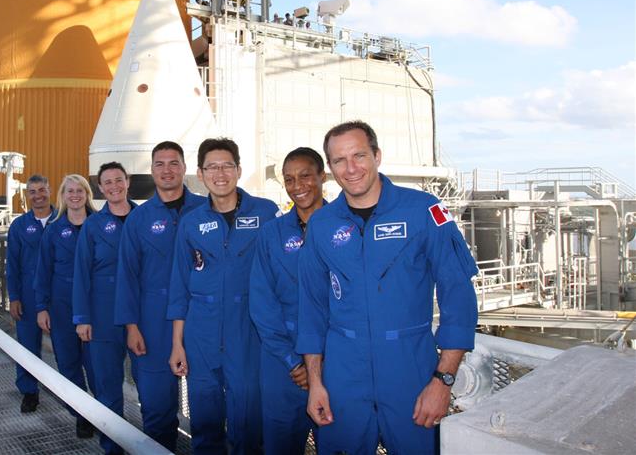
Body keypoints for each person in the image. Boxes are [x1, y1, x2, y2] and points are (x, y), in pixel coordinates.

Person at [297, 121, 479, 454]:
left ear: (377, 156)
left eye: (359, 155)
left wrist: (444, 381)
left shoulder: (425, 210)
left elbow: (459, 296)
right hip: (342, 376)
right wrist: (316, 383)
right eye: (339, 160)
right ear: (330, 169)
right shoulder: (322, 224)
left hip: (411, 371)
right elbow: (311, 308)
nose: (351, 168)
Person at [167, 138, 279, 455]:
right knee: (204, 420)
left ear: (239, 170)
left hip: (250, 334)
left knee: (248, 421)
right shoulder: (191, 223)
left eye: (227, 165)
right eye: (212, 167)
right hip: (201, 336)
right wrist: (178, 343)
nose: (220, 173)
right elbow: (180, 286)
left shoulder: (266, 213)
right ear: (201, 174)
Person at [115, 141, 204, 451]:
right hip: (152, 322)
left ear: (184, 167)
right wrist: (131, 326)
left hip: (201, 319)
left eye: (173, 163)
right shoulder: (139, 220)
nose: (167, 170)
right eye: (160, 164)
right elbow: (126, 275)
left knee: (207, 405)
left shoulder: (206, 210)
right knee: (155, 405)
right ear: (152, 170)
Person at [250, 147, 326, 455]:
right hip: (283, 364)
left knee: (335, 442)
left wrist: (321, 365)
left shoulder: (345, 228)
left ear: (322, 176)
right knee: (280, 444)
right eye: (289, 179)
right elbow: (262, 301)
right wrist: (292, 360)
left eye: (306, 176)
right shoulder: (271, 234)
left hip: (335, 359)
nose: (298, 186)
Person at [73, 162, 137, 455]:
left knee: (151, 388)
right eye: (107, 182)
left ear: (128, 182)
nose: (114, 186)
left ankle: (155, 444)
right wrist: (82, 318)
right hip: (102, 315)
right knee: (108, 388)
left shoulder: (145, 218)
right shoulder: (93, 225)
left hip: (142, 315)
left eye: (118, 180)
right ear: (100, 188)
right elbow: (81, 274)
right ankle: (112, 446)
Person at [34, 174, 97, 438]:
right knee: (68, 363)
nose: (74, 194)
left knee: (98, 365)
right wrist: (41, 307)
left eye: (79, 190)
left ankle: (105, 412)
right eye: (69, 190)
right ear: (62, 195)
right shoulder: (54, 230)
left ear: (87, 193)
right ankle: (81, 415)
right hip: (61, 308)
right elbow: (43, 271)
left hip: (96, 306)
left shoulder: (100, 225)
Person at [6, 174, 55, 413]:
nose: (38, 195)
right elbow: (12, 265)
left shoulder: (63, 221)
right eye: (33, 192)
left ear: (50, 190)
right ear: (27, 196)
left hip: (59, 296)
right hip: (27, 295)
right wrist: (13, 296)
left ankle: (75, 396)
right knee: (27, 345)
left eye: (42, 190)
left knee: (68, 348)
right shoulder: (19, 226)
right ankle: (29, 391)